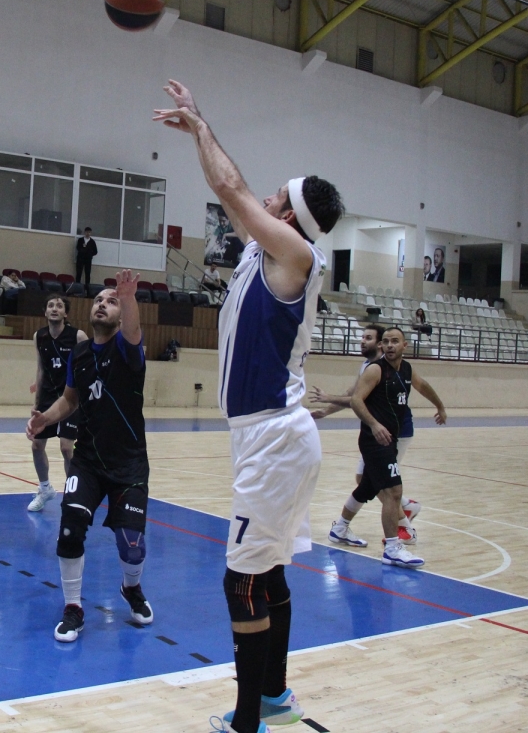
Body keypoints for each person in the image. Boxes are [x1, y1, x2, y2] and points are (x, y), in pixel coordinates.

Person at [155, 79, 344, 733]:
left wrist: (201, 124)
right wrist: (200, 135)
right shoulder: (267, 249)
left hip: (275, 440)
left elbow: (231, 189)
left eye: (276, 197)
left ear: (288, 216)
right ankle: (275, 699)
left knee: (242, 581)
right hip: (272, 438)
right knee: (269, 572)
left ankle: (245, 723)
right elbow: (232, 191)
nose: (263, 198)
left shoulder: (297, 255)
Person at [27, 270, 153, 642]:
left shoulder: (128, 349)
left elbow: (133, 329)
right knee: (70, 529)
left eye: (111, 302)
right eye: (98, 300)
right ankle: (73, 608)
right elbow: (70, 399)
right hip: (88, 461)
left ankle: (131, 587)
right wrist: (45, 418)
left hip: (129, 464)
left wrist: (127, 298)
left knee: (131, 545)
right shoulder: (80, 354)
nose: (102, 304)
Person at [328, 327, 447, 569]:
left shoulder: (407, 369)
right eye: (385, 342)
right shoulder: (375, 370)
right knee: (394, 491)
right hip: (375, 440)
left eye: (394, 341)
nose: (390, 345)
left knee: (367, 487)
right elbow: (356, 400)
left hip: (390, 439)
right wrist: (374, 424)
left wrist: (440, 406)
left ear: (405, 345)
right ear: (381, 346)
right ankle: (393, 548)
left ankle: (340, 528)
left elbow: (423, 385)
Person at [310, 324, 420, 544]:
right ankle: (402, 509)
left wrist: (329, 399)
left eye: (368, 338)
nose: (362, 341)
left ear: (379, 344)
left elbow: (356, 400)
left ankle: (403, 526)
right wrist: (327, 410)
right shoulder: (368, 366)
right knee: (368, 480)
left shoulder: (386, 368)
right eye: (362, 337)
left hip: (394, 432)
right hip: (377, 432)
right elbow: (353, 396)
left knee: (385, 485)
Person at [27, 293, 88, 512]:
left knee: (66, 448)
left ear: (66, 313)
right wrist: (36, 403)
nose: (55, 308)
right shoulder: (39, 336)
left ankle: (73, 494)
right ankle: (45, 489)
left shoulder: (78, 336)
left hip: (70, 397)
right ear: (45, 312)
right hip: (47, 397)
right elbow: (41, 369)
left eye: (59, 306)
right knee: (36, 445)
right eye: (51, 305)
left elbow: (89, 367)